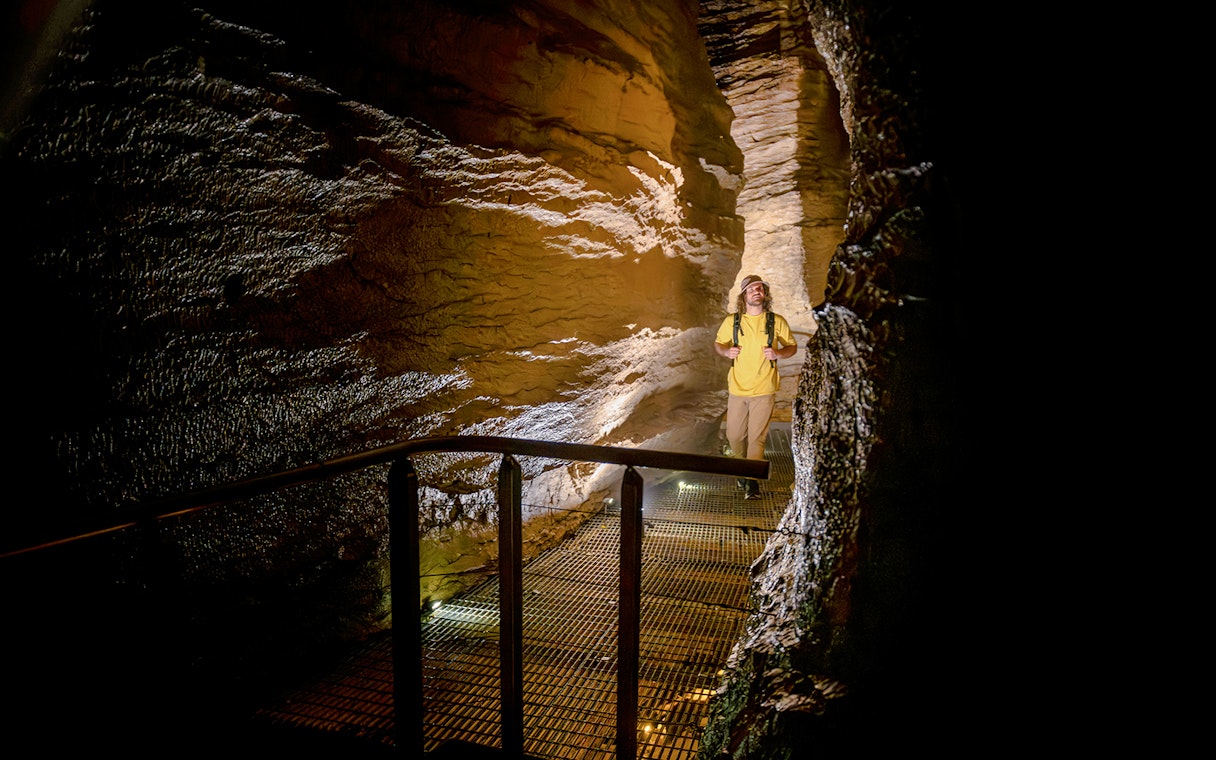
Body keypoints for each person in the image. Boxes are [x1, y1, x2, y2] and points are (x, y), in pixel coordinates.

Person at [713, 274, 798, 499]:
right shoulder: (733, 321)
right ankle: (742, 471)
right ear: (744, 295)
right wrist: (726, 351)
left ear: (765, 294)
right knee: (734, 436)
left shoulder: (775, 321)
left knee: (756, 438)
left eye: (760, 288)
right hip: (738, 389)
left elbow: (792, 346)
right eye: (751, 288)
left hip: (764, 388)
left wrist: (779, 353)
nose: (756, 291)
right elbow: (719, 343)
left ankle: (751, 483)